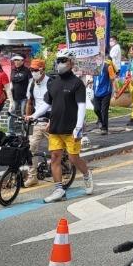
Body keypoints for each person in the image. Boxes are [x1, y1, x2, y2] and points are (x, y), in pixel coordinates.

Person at [43, 52, 94, 202]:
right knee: (55, 157)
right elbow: (47, 104)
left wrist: (78, 127)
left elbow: (81, 106)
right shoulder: (54, 82)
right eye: (58, 60)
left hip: (71, 128)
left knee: (73, 158)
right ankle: (59, 189)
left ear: (71, 62)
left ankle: (87, 174)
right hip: (56, 127)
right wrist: (33, 115)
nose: (60, 63)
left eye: (63, 60)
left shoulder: (77, 83)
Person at [22, 59, 51, 188]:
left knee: (58, 148)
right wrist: (27, 117)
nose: (33, 72)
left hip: (51, 120)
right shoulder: (31, 84)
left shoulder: (51, 83)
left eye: (35, 70)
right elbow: (29, 102)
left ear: (42, 70)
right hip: (37, 121)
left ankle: (66, 165)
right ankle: (32, 176)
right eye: (31, 70)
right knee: (31, 148)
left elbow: (57, 103)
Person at [91, 58, 115, 135]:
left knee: (104, 110)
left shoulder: (108, 66)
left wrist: (115, 90)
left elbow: (113, 78)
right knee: (96, 109)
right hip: (96, 92)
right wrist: (90, 82)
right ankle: (101, 121)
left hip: (106, 92)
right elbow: (95, 78)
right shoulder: (94, 67)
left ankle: (104, 128)